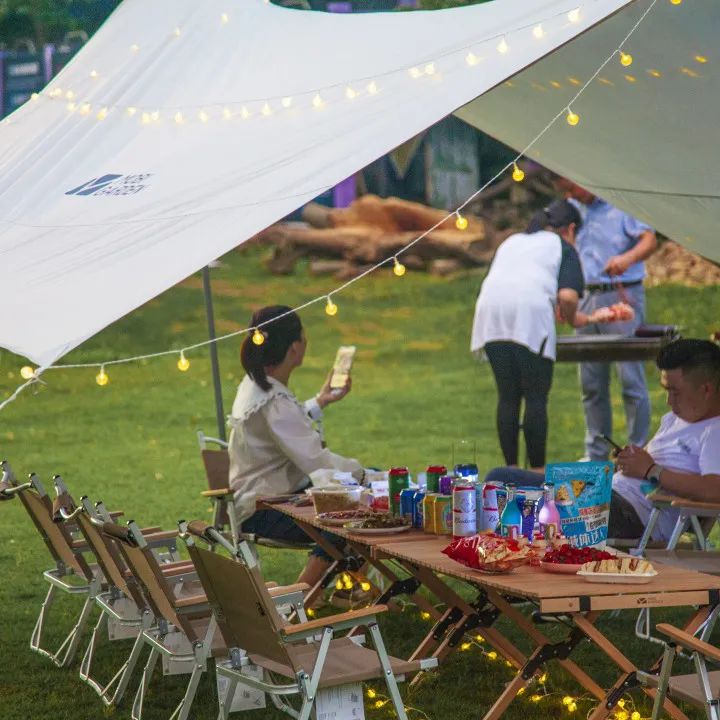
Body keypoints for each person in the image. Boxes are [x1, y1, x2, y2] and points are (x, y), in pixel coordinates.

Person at [483, 339, 720, 544]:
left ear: (707, 389)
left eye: (675, 392)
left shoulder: (714, 430)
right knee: (500, 479)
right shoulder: (674, 420)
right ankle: (503, 563)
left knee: (513, 500)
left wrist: (651, 470)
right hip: (604, 490)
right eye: (666, 390)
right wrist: (630, 461)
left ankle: (505, 564)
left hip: (631, 514)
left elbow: (714, 489)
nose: (669, 401)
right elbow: (643, 465)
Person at [228, 305, 364, 588]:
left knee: (356, 498)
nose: (306, 342)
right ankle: (301, 596)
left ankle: (343, 587)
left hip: (255, 502)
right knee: (355, 511)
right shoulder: (274, 401)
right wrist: (364, 474)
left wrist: (320, 401)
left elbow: (282, 429)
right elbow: (317, 461)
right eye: (303, 337)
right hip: (265, 512)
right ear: (293, 348)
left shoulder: (256, 385)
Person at [470, 200, 585, 470]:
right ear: (570, 229)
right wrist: (574, 318)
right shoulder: (562, 246)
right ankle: (536, 471)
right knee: (535, 396)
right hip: (529, 313)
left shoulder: (511, 241)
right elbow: (568, 297)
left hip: (489, 313)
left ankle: (510, 469)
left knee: (507, 396)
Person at [555, 178, 658, 461]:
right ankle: (597, 452)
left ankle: (637, 448)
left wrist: (627, 259)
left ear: (585, 181)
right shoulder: (573, 209)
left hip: (620, 296)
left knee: (630, 378)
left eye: (572, 187)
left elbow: (649, 240)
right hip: (585, 296)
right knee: (591, 381)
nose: (568, 194)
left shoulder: (620, 203)